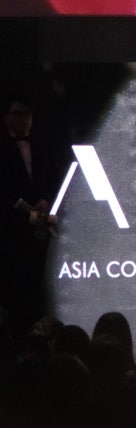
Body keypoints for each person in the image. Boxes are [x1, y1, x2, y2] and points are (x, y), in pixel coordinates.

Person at [0, 93, 56, 338]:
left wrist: (45, 201)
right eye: (18, 114)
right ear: (6, 118)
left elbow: (52, 178)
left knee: (37, 284)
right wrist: (23, 207)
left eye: (27, 114)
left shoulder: (42, 144)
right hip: (9, 233)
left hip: (39, 233)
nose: (24, 119)